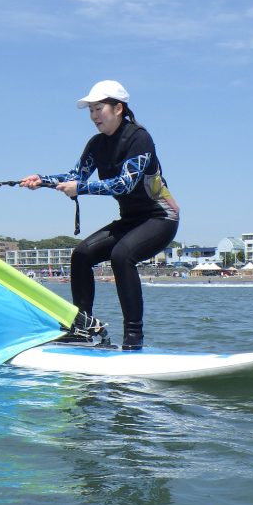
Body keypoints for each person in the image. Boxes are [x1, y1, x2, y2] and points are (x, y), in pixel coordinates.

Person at [20, 80, 179, 350]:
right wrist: (42, 180)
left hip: (160, 218)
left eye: (99, 108)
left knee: (121, 255)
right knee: (81, 254)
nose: (94, 116)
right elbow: (75, 176)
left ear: (118, 108)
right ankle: (81, 328)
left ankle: (133, 337)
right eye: (90, 110)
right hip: (129, 220)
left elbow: (124, 183)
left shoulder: (139, 138)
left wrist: (80, 188)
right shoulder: (96, 144)